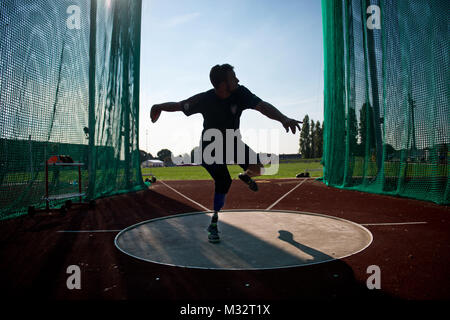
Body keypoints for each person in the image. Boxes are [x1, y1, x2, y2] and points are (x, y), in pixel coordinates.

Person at [150, 64, 301, 243]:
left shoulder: (241, 93)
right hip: (210, 148)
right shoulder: (204, 99)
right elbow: (178, 105)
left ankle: (245, 176)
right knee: (224, 181)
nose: (238, 80)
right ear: (222, 84)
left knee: (259, 169)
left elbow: (262, 106)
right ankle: (213, 223)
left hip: (233, 143)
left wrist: (284, 118)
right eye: (233, 78)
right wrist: (158, 106)